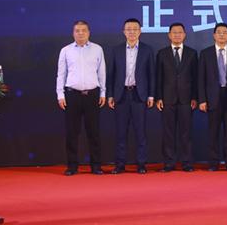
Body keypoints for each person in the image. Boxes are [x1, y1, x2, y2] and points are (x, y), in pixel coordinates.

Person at [56, 20, 106, 176]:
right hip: (72, 95)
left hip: (92, 95)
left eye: (84, 30)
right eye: (77, 31)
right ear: (73, 33)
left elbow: (102, 73)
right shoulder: (65, 51)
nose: (80, 33)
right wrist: (60, 94)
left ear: (89, 32)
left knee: (94, 132)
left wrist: (103, 93)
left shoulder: (97, 49)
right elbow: (61, 74)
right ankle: (72, 166)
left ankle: (96, 166)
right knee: (72, 133)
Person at [107, 18, 155, 174]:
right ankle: (120, 164)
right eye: (128, 29)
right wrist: (110, 95)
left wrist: (151, 95)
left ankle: (141, 164)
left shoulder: (147, 50)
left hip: (139, 95)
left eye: (135, 29)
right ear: (124, 32)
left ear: (140, 31)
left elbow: (151, 74)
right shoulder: (116, 50)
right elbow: (111, 74)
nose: (132, 32)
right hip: (121, 95)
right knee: (121, 132)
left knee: (140, 132)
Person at [198, 23, 227, 172]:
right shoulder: (205, 53)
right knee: (213, 133)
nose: (222, 35)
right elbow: (201, 79)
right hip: (212, 98)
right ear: (214, 35)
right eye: (219, 32)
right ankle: (213, 163)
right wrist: (202, 99)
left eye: (225, 32)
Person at [155, 23, 198, 172]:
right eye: (174, 32)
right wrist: (159, 97)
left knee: (186, 133)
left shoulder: (192, 53)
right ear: (169, 35)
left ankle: (187, 163)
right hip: (167, 99)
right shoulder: (162, 53)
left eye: (180, 32)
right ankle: (169, 163)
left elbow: (196, 78)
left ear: (184, 35)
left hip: (187, 99)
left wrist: (195, 97)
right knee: (168, 133)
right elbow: (158, 77)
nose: (177, 35)